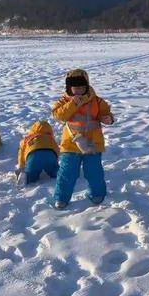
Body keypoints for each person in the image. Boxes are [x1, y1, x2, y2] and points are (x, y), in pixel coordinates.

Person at [50, 69, 114, 209]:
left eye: (81, 87)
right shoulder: (64, 101)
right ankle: (61, 197)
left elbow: (106, 113)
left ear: (86, 86)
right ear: (69, 88)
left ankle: (97, 194)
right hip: (71, 144)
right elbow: (58, 115)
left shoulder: (97, 101)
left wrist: (108, 119)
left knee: (94, 171)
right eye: (75, 87)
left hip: (93, 143)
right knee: (67, 172)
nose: (78, 90)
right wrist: (73, 104)